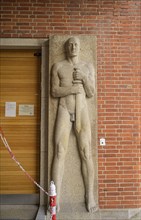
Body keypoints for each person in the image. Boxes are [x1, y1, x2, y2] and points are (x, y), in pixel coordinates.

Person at [51, 37, 97, 213]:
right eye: (70, 44)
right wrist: (71, 88)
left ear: (80, 47)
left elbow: (91, 92)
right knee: (59, 151)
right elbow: (54, 91)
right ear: (66, 47)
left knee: (86, 152)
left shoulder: (87, 67)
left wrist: (84, 78)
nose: (73, 47)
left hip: (82, 110)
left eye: (76, 44)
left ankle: (89, 196)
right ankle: (56, 198)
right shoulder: (59, 66)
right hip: (64, 109)